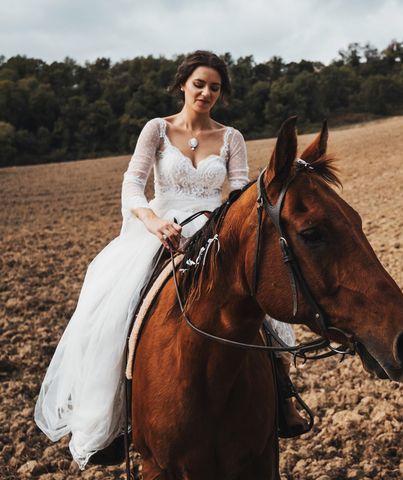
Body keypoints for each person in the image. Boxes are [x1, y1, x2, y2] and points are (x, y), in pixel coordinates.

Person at [34, 51, 306, 470]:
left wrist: (223, 234)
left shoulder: (230, 137)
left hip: (213, 235)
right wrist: (152, 221)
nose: (206, 92)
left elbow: (237, 199)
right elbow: (131, 185)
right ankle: (119, 420)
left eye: (214, 87)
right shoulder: (157, 130)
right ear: (183, 84)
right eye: (199, 84)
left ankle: (281, 401)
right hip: (158, 232)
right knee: (115, 313)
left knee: (257, 311)